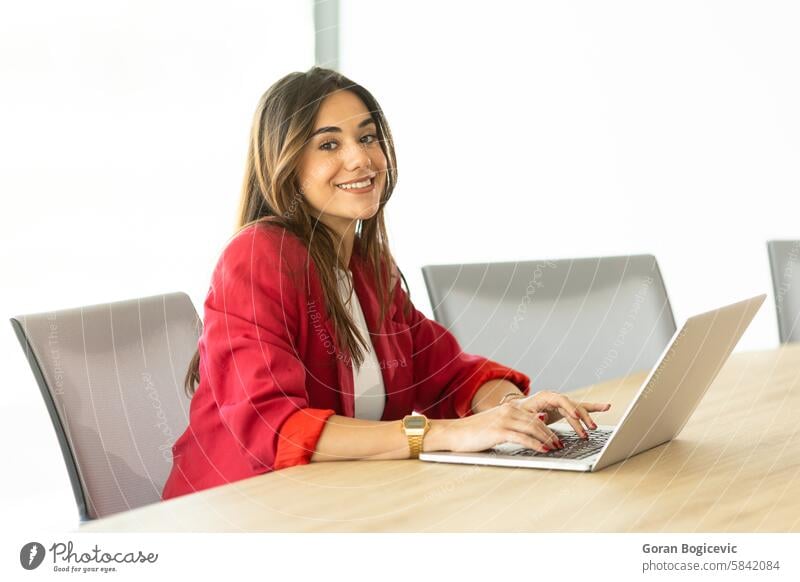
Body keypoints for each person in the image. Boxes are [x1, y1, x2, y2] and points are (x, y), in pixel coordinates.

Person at [161, 67, 611, 500]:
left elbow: (445, 372)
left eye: (367, 137)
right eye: (329, 144)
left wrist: (510, 410)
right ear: (285, 164)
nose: (360, 158)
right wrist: (444, 434)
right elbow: (276, 426)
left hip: (339, 502)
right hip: (239, 511)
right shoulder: (256, 257)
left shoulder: (366, 268)